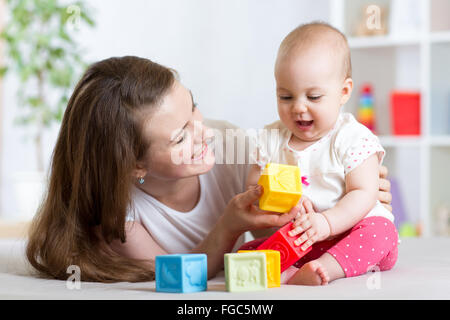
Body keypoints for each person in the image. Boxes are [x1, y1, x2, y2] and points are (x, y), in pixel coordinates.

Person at [26, 55, 393, 283]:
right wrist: (229, 225)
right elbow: (184, 275)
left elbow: (310, 181)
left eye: (193, 107)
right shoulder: (122, 220)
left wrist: (356, 189)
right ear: (133, 165)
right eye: (179, 137)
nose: (203, 133)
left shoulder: (227, 139)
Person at [242, 22, 398, 286]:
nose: (299, 108)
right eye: (285, 97)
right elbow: (253, 191)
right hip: (302, 240)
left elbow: (364, 193)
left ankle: (328, 267)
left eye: (313, 97)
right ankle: (293, 274)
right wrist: (285, 206)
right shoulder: (269, 140)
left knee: (382, 232)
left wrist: (326, 223)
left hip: (351, 233)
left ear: (344, 92)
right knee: (245, 253)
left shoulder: (352, 137)